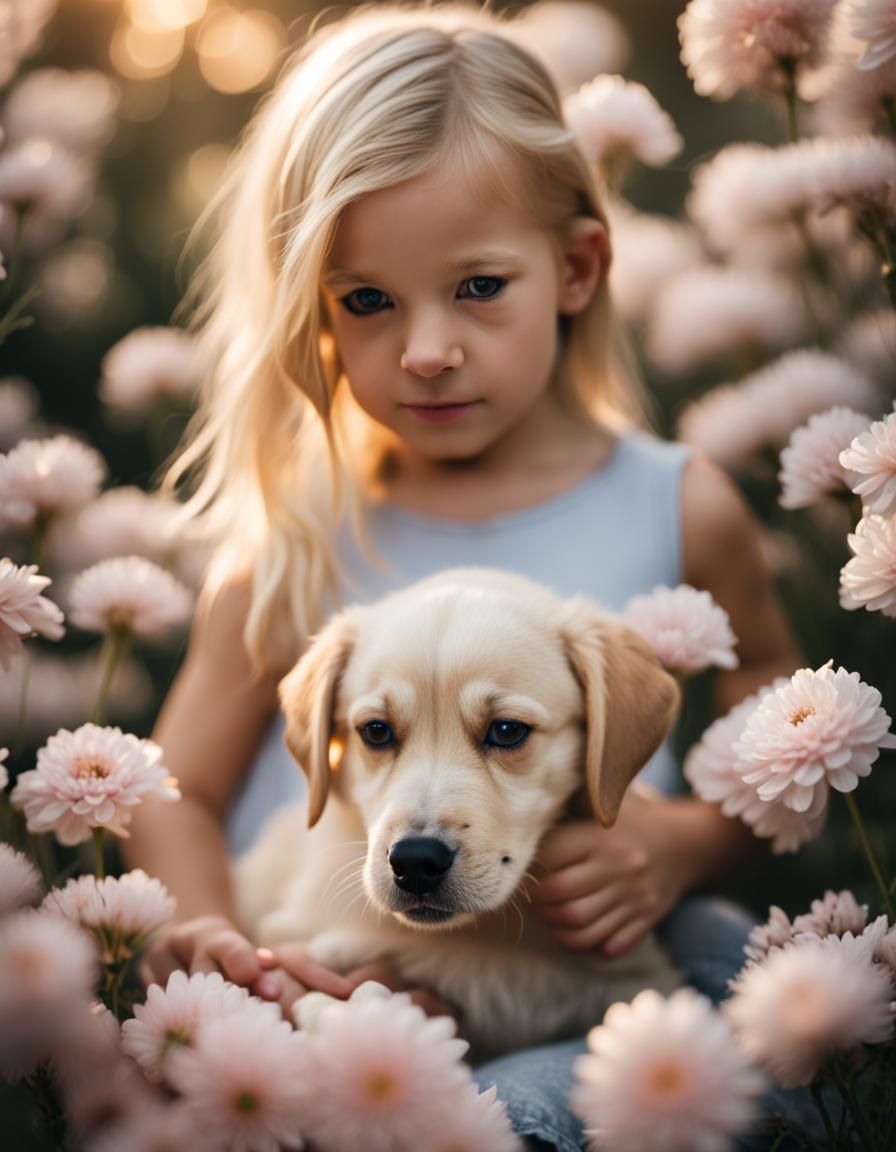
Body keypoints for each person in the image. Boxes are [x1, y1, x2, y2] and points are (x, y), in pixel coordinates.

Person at [124, 6, 807, 1148]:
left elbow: (780, 743)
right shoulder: (295, 536)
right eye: (368, 301)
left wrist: (679, 843)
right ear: (313, 309)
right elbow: (175, 790)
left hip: (592, 972)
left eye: (477, 287)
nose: (426, 348)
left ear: (577, 266)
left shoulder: (673, 503)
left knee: (734, 958)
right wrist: (205, 937)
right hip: (345, 966)